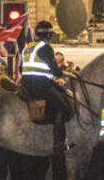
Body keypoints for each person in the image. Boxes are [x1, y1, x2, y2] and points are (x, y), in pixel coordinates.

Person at [20, 20, 74, 152]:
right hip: (41, 86)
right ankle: (58, 142)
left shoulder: (28, 47)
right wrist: (69, 74)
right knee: (65, 106)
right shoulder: (46, 47)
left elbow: (22, 68)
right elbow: (55, 70)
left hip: (26, 84)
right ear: (48, 35)